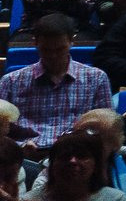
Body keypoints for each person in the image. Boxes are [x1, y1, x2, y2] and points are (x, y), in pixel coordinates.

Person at [2, 14, 113, 150]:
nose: (53, 56)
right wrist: (20, 146)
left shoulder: (97, 79)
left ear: (72, 41)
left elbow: (106, 129)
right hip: (26, 158)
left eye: (60, 49)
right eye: (46, 50)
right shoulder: (11, 81)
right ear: (35, 43)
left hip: (76, 156)